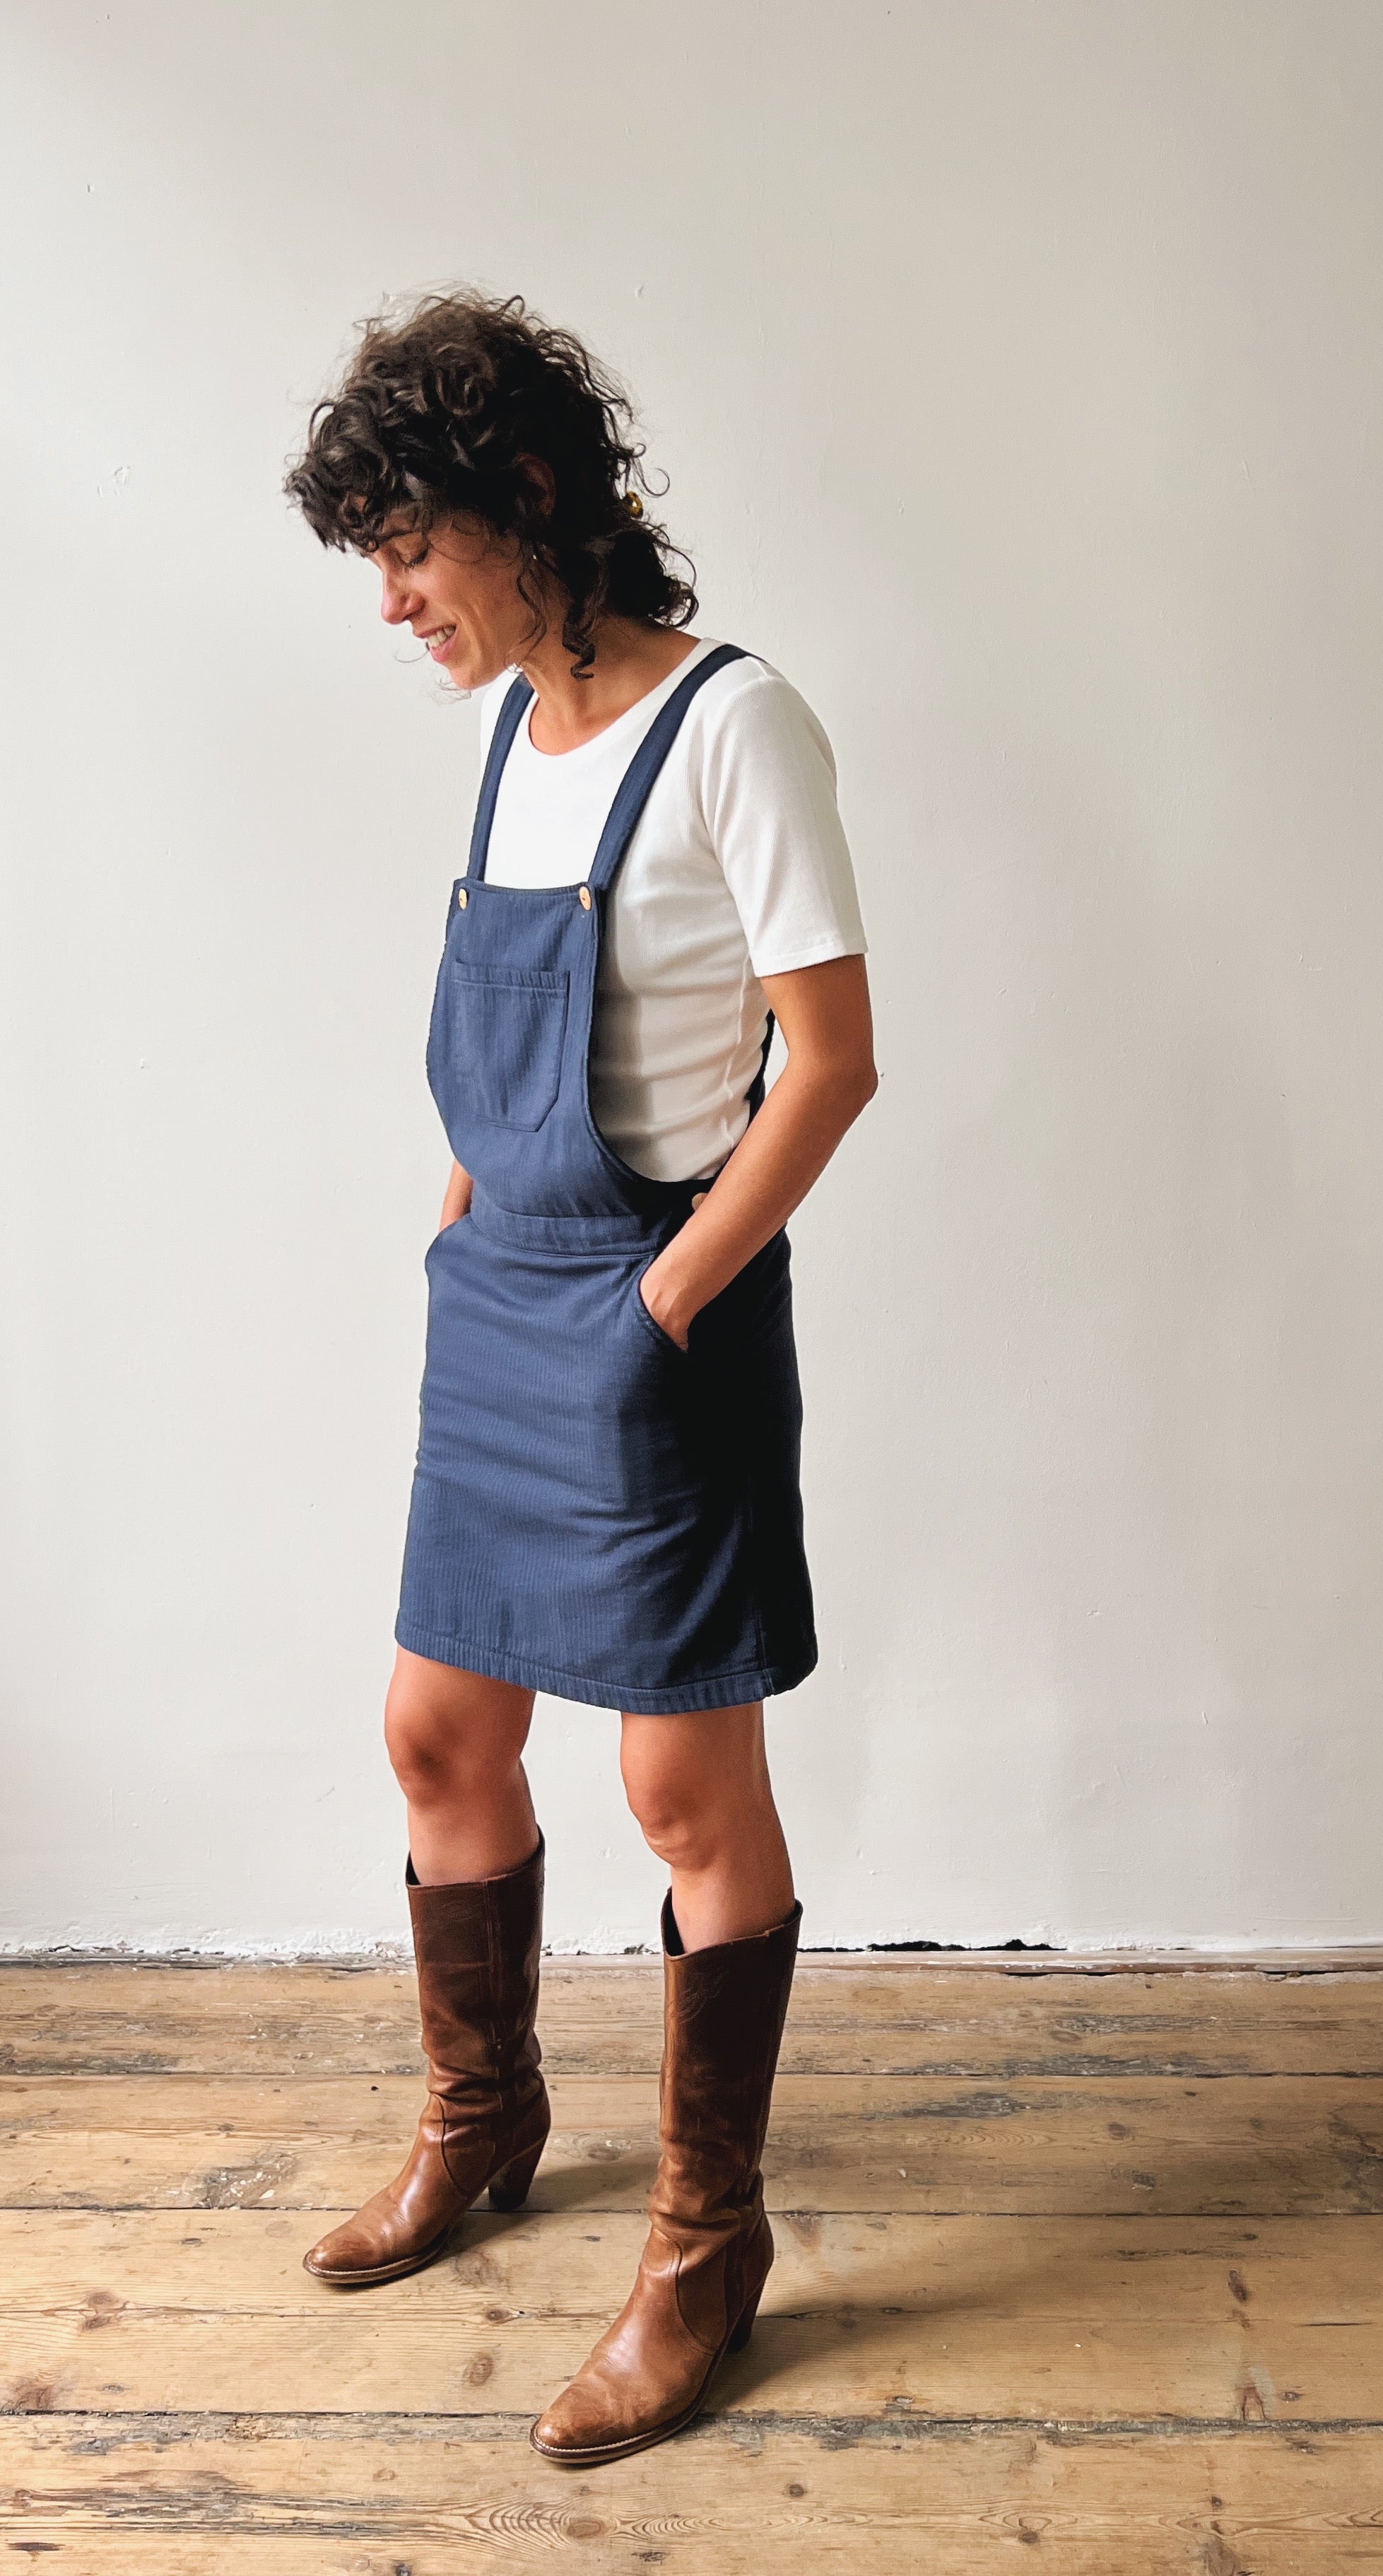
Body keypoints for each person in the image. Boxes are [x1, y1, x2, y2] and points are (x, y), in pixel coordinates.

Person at [283, 291, 876, 2467]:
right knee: (434, 1724)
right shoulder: (513, 732)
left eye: (412, 543)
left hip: (655, 1306)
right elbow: (518, 1033)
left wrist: (665, 1299)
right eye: (372, 559)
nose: (393, 598)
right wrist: (468, 1200)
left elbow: (831, 1063)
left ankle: (707, 2247)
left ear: (530, 500)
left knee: (676, 1791)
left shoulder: (735, 725)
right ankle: (485, 2117)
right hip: (500, 1299)